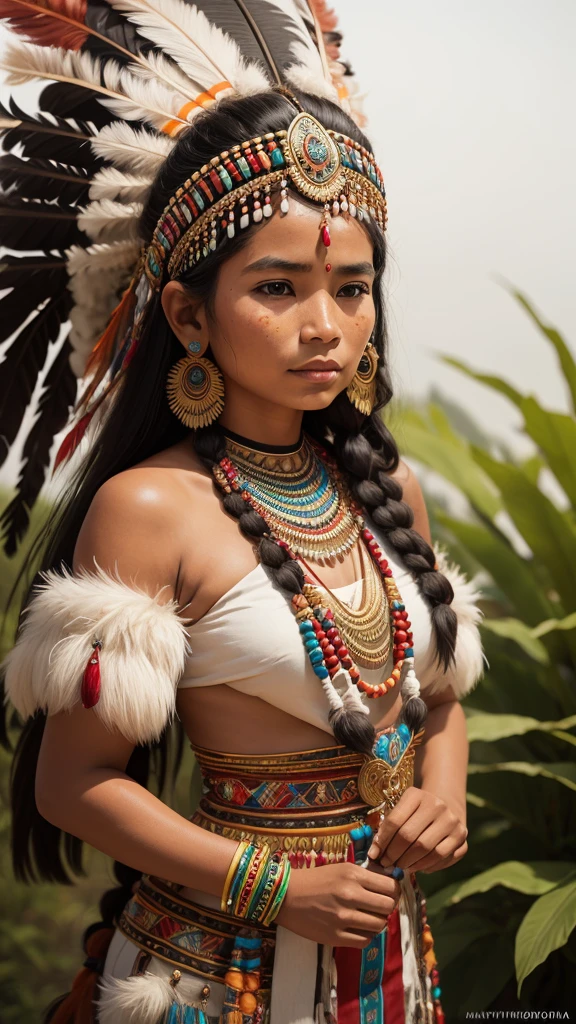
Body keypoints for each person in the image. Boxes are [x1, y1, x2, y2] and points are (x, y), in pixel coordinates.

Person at [0, 3, 484, 1022]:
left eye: (352, 289)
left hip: (393, 961)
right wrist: (277, 887)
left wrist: (443, 787)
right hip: (215, 974)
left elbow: (437, 697)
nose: (326, 326)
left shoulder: (390, 492)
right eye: (278, 286)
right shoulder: (149, 508)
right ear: (188, 312)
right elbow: (73, 782)